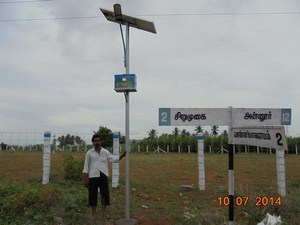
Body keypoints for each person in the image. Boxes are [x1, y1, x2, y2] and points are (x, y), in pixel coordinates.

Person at [82, 134, 126, 222]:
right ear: (93, 142)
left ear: (101, 141)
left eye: (98, 140)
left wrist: (122, 155)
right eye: (95, 141)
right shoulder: (89, 153)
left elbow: (114, 159)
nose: (97, 142)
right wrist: (85, 179)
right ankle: (93, 215)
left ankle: (104, 214)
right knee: (92, 196)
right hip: (93, 176)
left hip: (103, 176)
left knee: (104, 196)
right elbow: (86, 166)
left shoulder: (105, 152)